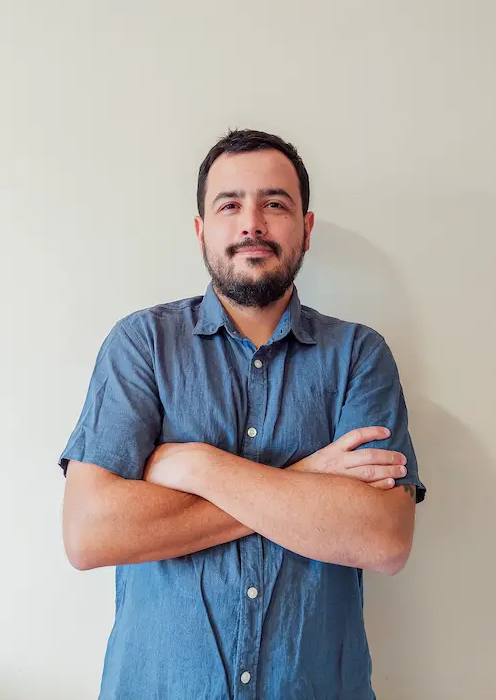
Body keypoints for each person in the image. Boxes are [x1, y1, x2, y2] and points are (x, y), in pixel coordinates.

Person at [59, 128, 426, 700]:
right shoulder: (143, 345)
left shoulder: (359, 354)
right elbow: (90, 534)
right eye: (229, 205)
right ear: (201, 230)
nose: (251, 223)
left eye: (274, 204)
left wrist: (197, 466)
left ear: (306, 228)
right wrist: (305, 480)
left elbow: (383, 538)